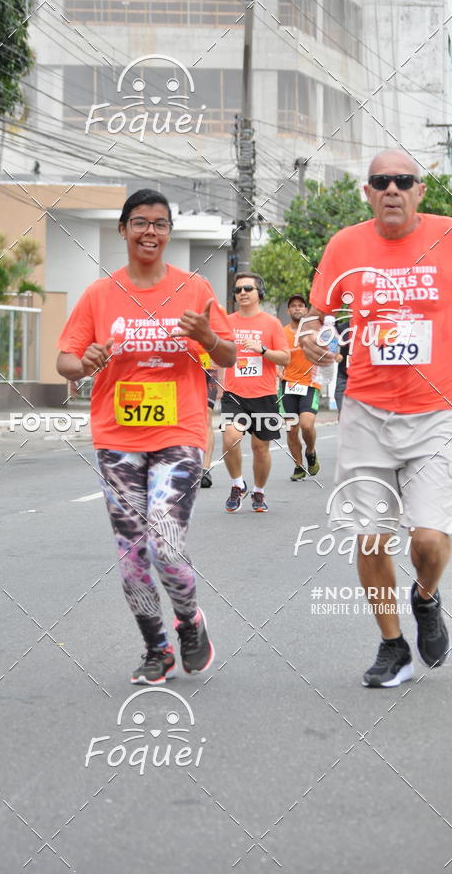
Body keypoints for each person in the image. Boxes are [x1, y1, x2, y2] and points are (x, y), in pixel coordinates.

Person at [57, 189, 235, 686]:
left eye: (159, 223)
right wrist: (84, 362)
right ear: (123, 230)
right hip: (117, 438)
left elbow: (228, 355)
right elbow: (65, 359)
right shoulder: (100, 294)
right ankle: (157, 649)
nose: (149, 232)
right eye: (139, 222)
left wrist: (207, 338)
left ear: (169, 233)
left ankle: (189, 620)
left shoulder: (194, 289)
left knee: (165, 543)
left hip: (180, 431)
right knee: (132, 556)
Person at [300, 148, 452, 687]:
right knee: (370, 538)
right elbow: (316, 317)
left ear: (420, 191)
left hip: (435, 413)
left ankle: (426, 597)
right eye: (381, 181)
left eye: (403, 181)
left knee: (429, 539)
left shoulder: (446, 236)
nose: (392, 189)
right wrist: (311, 339)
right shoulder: (345, 245)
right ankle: (393, 646)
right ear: (367, 192)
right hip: (365, 409)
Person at [221, 272, 290, 513]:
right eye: (238, 290)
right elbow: (215, 349)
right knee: (230, 438)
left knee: (260, 449)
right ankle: (237, 484)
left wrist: (262, 350)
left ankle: (258, 491)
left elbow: (285, 358)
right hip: (234, 393)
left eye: (248, 288)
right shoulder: (226, 322)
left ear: (259, 293)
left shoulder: (272, 323)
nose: (242, 293)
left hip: (264, 395)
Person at [278, 294, 321, 481]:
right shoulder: (281, 332)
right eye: (293, 305)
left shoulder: (315, 332)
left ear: (306, 310)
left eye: (301, 305)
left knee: (306, 425)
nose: (297, 308)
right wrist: (277, 371)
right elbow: (275, 354)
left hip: (310, 384)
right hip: (288, 384)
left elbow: (326, 351)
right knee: (292, 429)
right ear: (288, 311)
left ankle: (310, 452)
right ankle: (298, 466)